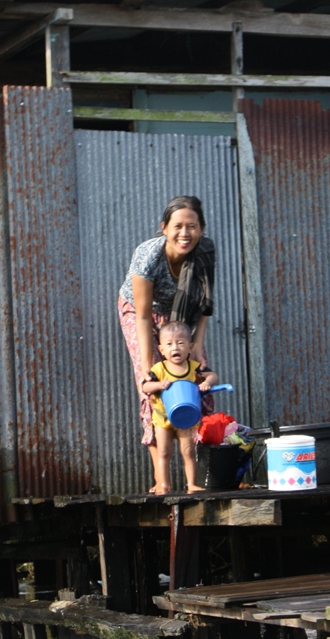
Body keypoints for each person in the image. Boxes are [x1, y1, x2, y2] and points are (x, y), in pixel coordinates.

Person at [118, 196, 216, 494]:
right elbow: (145, 316)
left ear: (201, 229)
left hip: (182, 314)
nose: (184, 233)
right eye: (177, 226)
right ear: (164, 228)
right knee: (154, 385)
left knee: (197, 379)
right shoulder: (148, 255)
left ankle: (204, 477)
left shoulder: (205, 250)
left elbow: (204, 302)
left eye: (192, 226)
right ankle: (161, 480)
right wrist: (148, 368)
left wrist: (198, 343)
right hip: (141, 313)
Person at [142, 321, 219, 493]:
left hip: (187, 417)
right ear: (161, 349)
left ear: (190, 347)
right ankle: (164, 484)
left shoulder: (193, 367)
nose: (175, 347)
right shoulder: (159, 368)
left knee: (188, 451)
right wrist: (159, 385)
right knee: (164, 451)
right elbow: (145, 387)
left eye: (181, 343)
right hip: (163, 418)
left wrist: (206, 382)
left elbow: (213, 375)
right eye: (169, 344)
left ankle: (191, 484)